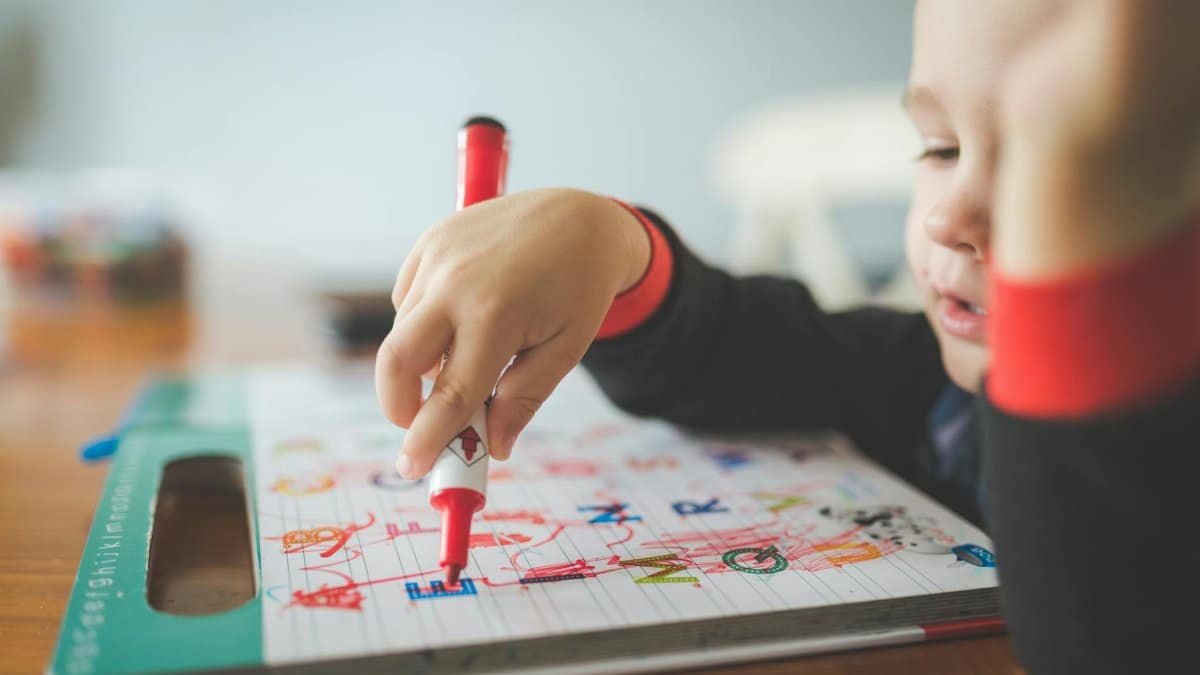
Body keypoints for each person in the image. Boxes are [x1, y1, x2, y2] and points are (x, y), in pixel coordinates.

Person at [375, 1, 1200, 671]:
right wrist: (613, 247)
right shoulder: (930, 388)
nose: (948, 217)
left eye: (1071, 165)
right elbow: (751, 349)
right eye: (940, 147)